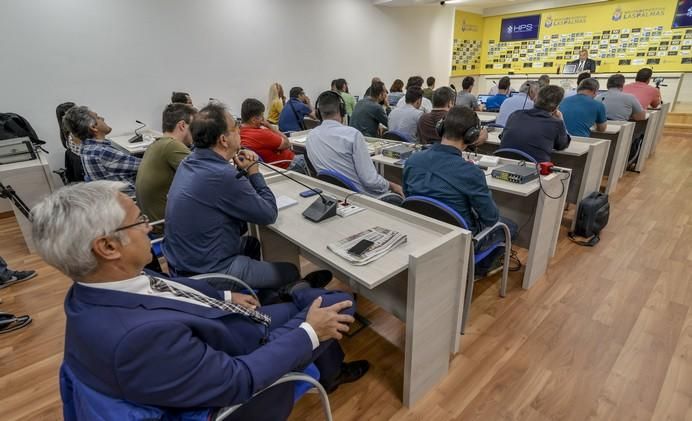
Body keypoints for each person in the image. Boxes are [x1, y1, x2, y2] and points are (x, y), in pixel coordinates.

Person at [30, 181, 369, 420]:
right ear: (107, 247)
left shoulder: (95, 287)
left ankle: (303, 303)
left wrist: (223, 294)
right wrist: (310, 332)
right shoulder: (137, 340)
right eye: (139, 221)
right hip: (244, 362)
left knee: (317, 301)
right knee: (339, 302)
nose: (149, 227)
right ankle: (306, 308)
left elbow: (169, 290)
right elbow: (239, 380)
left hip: (227, 326)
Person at [164, 102, 330, 291]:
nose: (240, 131)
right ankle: (280, 296)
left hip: (182, 264)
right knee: (290, 271)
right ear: (223, 140)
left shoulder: (189, 162)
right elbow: (268, 213)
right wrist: (254, 171)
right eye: (236, 127)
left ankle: (256, 294)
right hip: (209, 271)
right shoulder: (223, 175)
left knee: (251, 243)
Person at [404, 106, 518, 276]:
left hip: (424, 232)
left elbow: (408, 196)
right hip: (460, 240)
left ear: (441, 128)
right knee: (510, 226)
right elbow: (491, 218)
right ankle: (476, 270)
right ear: (471, 136)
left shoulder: (413, 160)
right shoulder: (471, 173)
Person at [307, 90, 403, 197]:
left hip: (334, 194)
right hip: (366, 198)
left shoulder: (311, 136)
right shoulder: (352, 135)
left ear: (319, 113)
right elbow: (370, 181)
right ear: (342, 111)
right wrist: (392, 186)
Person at [135, 103, 196, 227]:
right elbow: (205, 175)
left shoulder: (156, 144)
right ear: (182, 125)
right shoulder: (172, 145)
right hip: (165, 227)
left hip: (152, 223)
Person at [62, 106, 141, 195]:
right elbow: (146, 165)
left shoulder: (85, 148)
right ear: (93, 127)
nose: (103, 118)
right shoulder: (102, 152)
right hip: (133, 197)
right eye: (98, 117)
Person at [500, 85, 571, 163]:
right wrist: (561, 119)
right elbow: (562, 145)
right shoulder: (556, 124)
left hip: (504, 164)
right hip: (536, 170)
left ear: (535, 99)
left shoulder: (515, 114)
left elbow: (502, 136)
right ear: (557, 107)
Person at [239, 98, 305, 172]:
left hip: (269, 167)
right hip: (287, 164)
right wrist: (270, 126)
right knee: (309, 157)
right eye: (261, 116)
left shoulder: (238, 131)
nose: (263, 119)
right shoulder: (261, 134)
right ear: (254, 120)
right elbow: (287, 144)